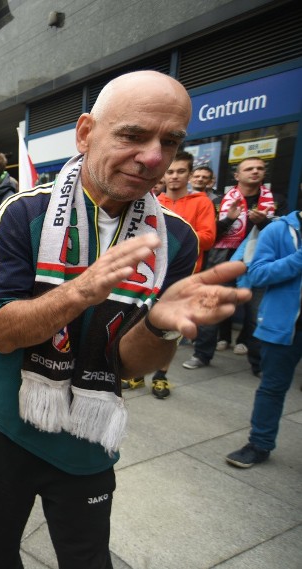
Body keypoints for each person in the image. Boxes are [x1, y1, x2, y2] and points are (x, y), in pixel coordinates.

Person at [0, 70, 250, 568]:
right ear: (85, 133)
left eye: (171, 141)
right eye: (133, 135)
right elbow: (2, 333)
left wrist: (160, 325)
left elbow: (129, 365)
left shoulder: (175, 239)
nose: (155, 157)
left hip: (87, 434)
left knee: (88, 559)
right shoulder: (21, 212)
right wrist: (81, 290)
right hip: (2, 425)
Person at [124, 150, 216, 398]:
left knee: (169, 328)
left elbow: (208, 238)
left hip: (185, 275)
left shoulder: (201, 202)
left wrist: (179, 233)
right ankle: (137, 373)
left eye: (181, 171)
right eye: (171, 171)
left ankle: (161, 376)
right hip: (151, 273)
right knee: (143, 321)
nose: (175, 176)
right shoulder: (155, 201)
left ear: (189, 174)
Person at [226, 209, 302, 468]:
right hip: (284, 327)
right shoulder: (278, 230)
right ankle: (259, 444)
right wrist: (299, 258)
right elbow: (257, 273)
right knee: (272, 388)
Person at [183, 157, 274, 371]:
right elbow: (210, 236)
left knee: (256, 315)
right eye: (249, 168)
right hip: (221, 263)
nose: (255, 171)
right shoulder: (220, 202)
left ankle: (257, 364)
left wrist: (264, 222)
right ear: (237, 176)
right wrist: (229, 220)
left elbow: (279, 234)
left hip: (257, 264)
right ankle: (202, 355)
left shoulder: (274, 200)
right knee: (210, 309)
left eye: (259, 168)